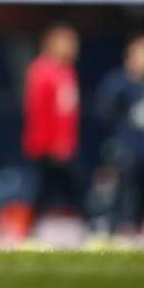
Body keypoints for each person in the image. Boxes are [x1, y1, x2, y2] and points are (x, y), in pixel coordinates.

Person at [93, 33, 144, 240]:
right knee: (121, 190)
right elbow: (104, 113)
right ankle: (112, 231)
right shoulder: (117, 83)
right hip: (126, 148)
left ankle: (138, 230)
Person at [22, 24, 88, 235]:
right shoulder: (42, 70)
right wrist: (52, 144)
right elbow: (38, 111)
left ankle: (88, 227)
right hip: (46, 145)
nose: (72, 47)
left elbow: (67, 112)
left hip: (65, 143)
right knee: (47, 189)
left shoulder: (67, 70)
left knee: (58, 189)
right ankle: (29, 231)